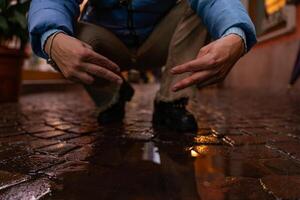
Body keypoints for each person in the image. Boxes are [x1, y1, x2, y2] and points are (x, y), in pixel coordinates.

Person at [28, 0, 257, 132]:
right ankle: (111, 96)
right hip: (109, 44)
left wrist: (235, 33)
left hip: (157, 41)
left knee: (196, 9)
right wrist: (51, 36)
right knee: (64, 37)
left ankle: (171, 101)